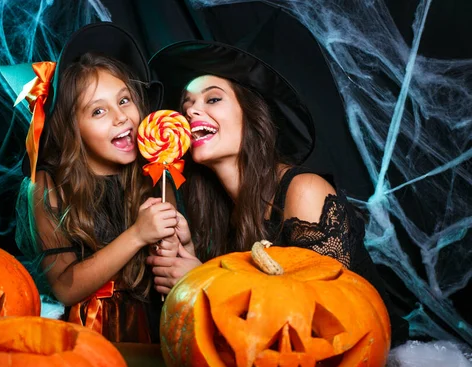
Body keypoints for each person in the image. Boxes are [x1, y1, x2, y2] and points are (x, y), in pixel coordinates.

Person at [146, 40, 409, 345]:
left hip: (372, 363)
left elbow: (321, 322)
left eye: (213, 99)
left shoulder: (305, 192)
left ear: (252, 113)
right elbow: (248, 334)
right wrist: (190, 257)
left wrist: (203, 282)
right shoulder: (217, 209)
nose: (191, 110)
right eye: (186, 104)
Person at [2, 23, 179, 343]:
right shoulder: (46, 187)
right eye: (98, 111)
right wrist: (138, 234)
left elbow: (173, 268)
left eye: (124, 100)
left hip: (157, 329)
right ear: (73, 128)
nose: (120, 117)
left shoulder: (156, 175)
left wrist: (177, 246)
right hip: (92, 335)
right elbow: (65, 287)